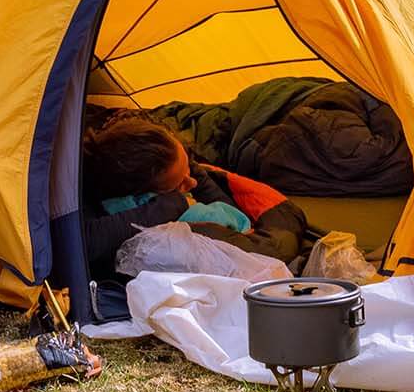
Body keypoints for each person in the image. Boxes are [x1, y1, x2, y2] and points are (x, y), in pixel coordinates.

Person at [80, 114, 310, 275]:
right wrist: (175, 203)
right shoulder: (86, 206)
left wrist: (191, 170)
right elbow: (86, 242)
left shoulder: (161, 150)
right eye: (180, 183)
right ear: (142, 197)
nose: (191, 183)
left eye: (188, 171)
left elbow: (225, 205)